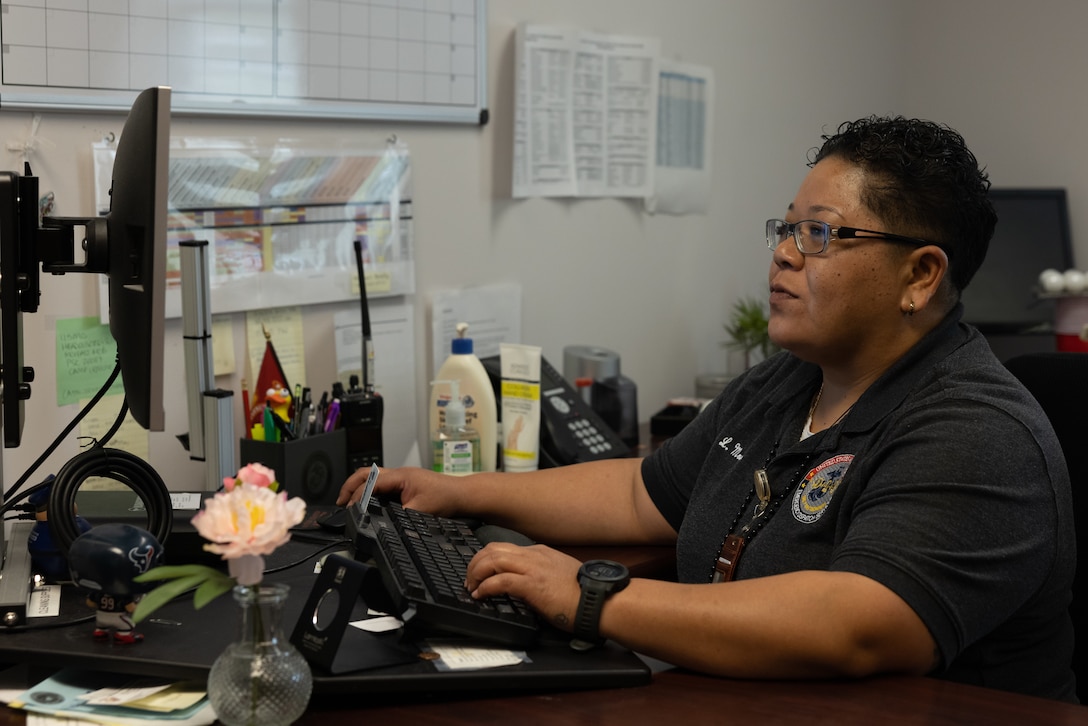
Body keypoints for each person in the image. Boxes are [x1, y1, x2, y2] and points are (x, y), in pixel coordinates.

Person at [337, 116, 1077, 702]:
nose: (784, 254)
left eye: (819, 234)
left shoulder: (978, 430)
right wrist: (457, 492)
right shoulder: (784, 383)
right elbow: (640, 492)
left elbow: (855, 624)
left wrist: (590, 598)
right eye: (786, 229)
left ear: (920, 275)